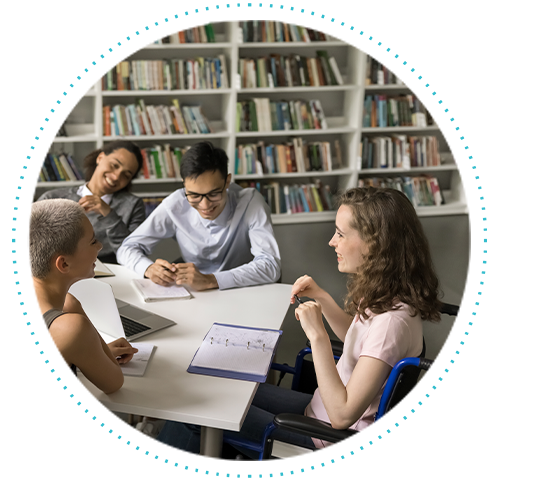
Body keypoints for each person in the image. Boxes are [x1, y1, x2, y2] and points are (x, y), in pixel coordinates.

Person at [156, 186, 441, 458]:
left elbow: (342, 415)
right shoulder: (392, 296)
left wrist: (317, 337)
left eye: (341, 234)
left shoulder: (392, 323)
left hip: (325, 437)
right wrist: (323, 298)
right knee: (218, 387)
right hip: (318, 411)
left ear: (376, 244)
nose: (332, 241)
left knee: (200, 414)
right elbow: (358, 342)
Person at [116, 141, 281, 291]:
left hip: (242, 290)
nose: (205, 205)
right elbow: (126, 249)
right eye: (194, 195)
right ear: (184, 185)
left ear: (227, 182)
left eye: (214, 194)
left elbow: (271, 265)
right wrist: (148, 268)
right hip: (193, 294)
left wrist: (211, 280)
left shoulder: (251, 202)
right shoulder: (175, 204)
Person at [28, 199, 138, 394]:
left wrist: (88, 350)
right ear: (63, 265)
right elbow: (114, 383)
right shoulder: (70, 326)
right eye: (93, 241)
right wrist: (75, 309)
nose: (100, 246)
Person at [38, 141, 146, 264]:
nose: (116, 177)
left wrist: (109, 214)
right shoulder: (52, 198)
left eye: (126, 175)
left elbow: (134, 254)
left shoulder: (133, 205)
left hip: (111, 274)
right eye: (114, 165)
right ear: (100, 158)